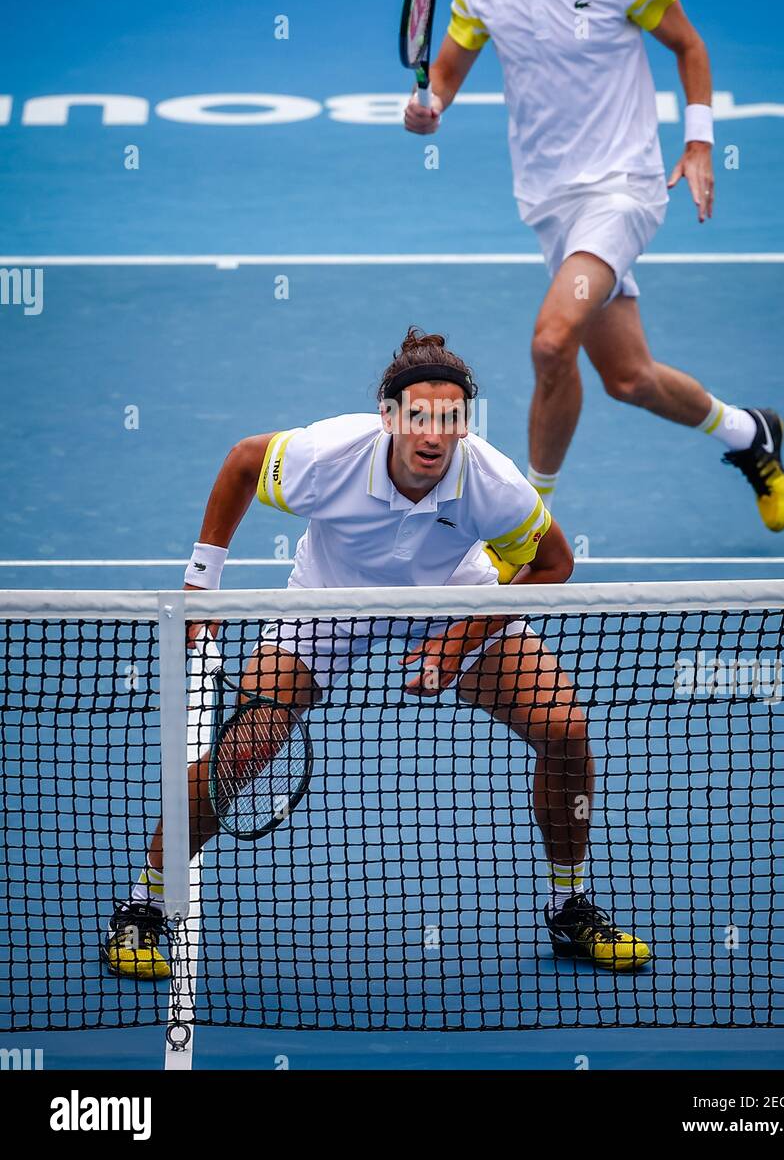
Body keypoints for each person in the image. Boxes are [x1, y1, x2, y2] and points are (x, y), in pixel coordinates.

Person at [101, 328, 651, 981]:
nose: (432, 434)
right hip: (328, 603)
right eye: (418, 416)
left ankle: (569, 905)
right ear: (388, 417)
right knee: (243, 751)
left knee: (565, 730)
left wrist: (459, 640)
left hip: (450, 599)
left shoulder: (491, 483)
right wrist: (201, 582)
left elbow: (554, 563)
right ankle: (144, 904)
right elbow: (244, 461)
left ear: (465, 424)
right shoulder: (328, 456)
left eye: (449, 419)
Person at [404, 0, 784, 572]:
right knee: (629, 378)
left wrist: (699, 141)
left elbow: (689, 46)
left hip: (623, 190)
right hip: (549, 202)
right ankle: (750, 434)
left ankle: (526, 530)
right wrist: (430, 106)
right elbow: (447, 70)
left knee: (551, 342)